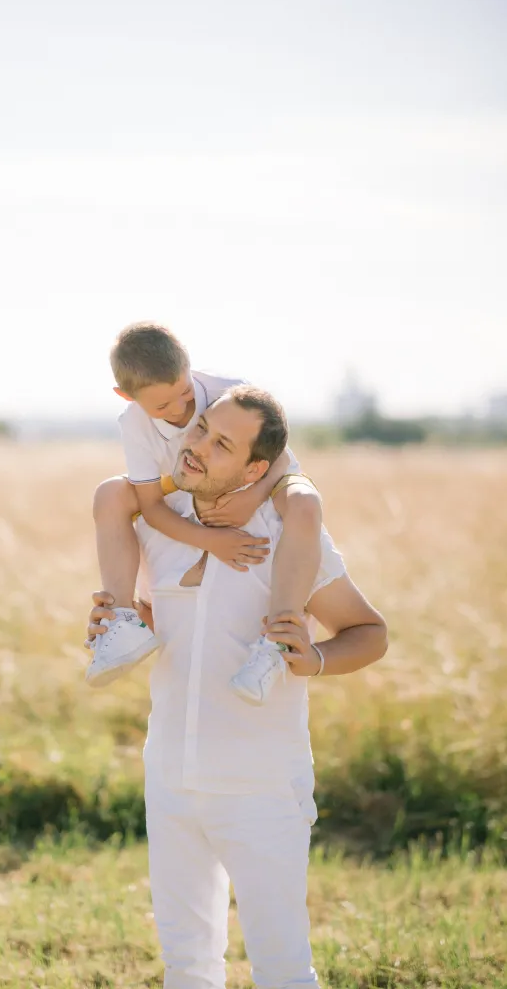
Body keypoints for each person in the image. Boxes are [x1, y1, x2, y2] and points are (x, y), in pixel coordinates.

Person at [86, 385, 388, 989]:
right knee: (187, 968)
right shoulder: (158, 527)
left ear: (255, 470)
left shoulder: (286, 535)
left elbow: (369, 633)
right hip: (170, 779)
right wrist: (119, 620)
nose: (197, 446)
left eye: (222, 444)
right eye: (201, 429)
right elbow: (165, 623)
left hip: (262, 788)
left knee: (281, 971)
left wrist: (314, 659)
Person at [87, 321, 328, 705]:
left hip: (263, 477)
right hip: (185, 480)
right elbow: (150, 504)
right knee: (111, 492)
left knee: (303, 502)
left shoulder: (227, 391)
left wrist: (252, 497)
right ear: (126, 396)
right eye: (162, 407)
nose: (179, 409)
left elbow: (280, 458)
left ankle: (276, 642)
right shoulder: (133, 424)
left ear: (189, 365)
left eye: (184, 392)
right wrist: (211, 540)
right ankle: (121, 619)